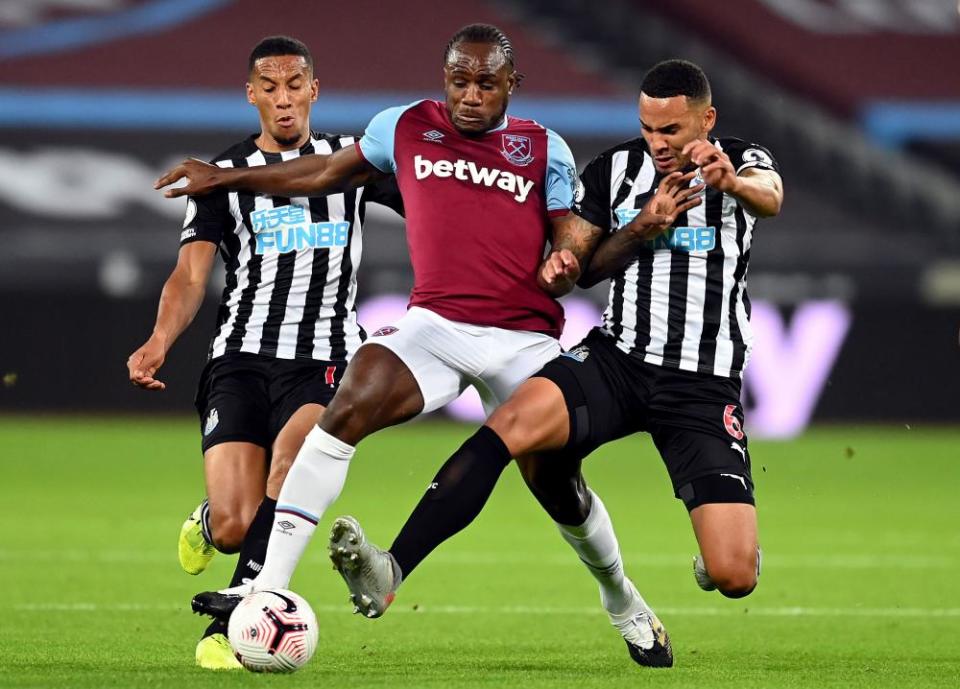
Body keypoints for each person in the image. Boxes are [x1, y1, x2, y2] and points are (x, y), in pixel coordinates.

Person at [156, 24, 680, 667]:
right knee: (347, 405)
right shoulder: (402, 127)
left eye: (486, 83)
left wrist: (568, 263)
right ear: (444, 79)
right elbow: (322, 170)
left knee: (558, 487)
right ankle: (265, 587)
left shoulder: (546, 148)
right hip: (434, 325)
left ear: (513, 83)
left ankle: (621, 599)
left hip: (525, 340)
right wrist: (224, 179)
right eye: (459, 80)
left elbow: (573, 244)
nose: (470, 95)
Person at [325, 59, 783, 665]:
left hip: (702, 386)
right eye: (649, 127)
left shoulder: (744, 159)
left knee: (734, 576)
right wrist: (614, 240)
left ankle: (718, 548)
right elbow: (584, 264)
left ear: (708, 118)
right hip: (618, 361)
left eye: (672, 130)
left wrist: (730, 183)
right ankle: (392, 570)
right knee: (508, 427)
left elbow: (770, 199)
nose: (658, 143)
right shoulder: (615, 171)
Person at [128, 35, 402, 670]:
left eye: (295, 85)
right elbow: (190, 277)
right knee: (233, 526)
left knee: (290, 466)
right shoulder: (220, 176)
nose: (284, 100)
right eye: (270, 87)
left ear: (314, 89)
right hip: (241, 360)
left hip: (326, 358)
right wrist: (159, 340)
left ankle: (234, 622)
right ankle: (208, 521)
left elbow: (430, 202)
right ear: (251, 94)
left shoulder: (352, 163)